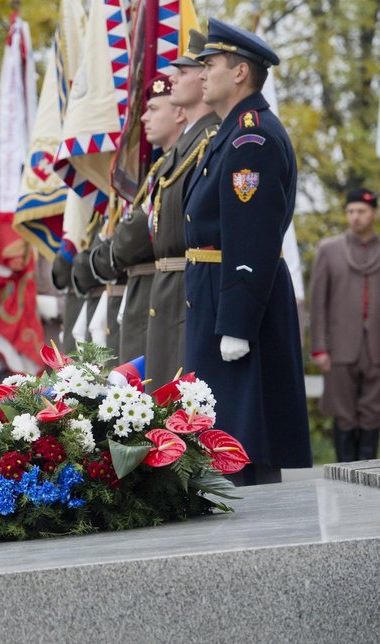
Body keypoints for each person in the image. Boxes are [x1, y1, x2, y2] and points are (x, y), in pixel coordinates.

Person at [183, 19, 312, 485]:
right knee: (221, 440)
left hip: (236, 307)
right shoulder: (228, 134)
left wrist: (236, 323)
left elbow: (252, 235)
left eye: (210, 64)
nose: (201, 74)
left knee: (241, 445)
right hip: (217, 300)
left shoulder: (250, 139)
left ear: (240, 72)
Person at [143, 29, 221, 388]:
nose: (173, 77)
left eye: (185, 70)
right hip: (168, 287)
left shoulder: (208, 142)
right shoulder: (189, 144)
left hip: (187, 289)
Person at [90, 74, 185, 364]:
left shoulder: (183, 161)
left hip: (163, 295)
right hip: (145, 294)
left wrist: (118, 241)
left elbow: (134, 235)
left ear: (180, 112)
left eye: (154, 109)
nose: (143, 118)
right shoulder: (160, 165)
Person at [309, 188, 380, 462]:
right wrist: (319, 348)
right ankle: (344, 475)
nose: (355, 217)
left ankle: (370, 475)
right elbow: (318, 303)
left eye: (361, 211)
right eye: (350, 211)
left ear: (373, 212)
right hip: (339, 347)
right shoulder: (330, 250)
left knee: (373, 412)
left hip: (375, 347)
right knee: (343, 412)